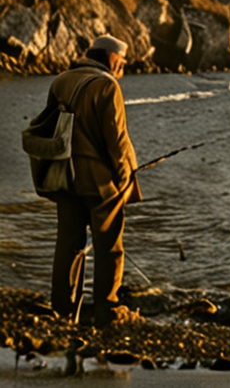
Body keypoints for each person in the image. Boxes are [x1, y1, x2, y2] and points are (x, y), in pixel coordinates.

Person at [41, 34, 142, 327]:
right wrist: (124, 179)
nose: (123, 67)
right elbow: (117, 141)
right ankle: (107, 311)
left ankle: (62, 311)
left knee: (69, 243)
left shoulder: (61, 80)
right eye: (121, 61)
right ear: (111, 58)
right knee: (108, 245)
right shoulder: (107, 85)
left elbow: (48, 128)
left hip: (63, 175)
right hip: (99, 181)